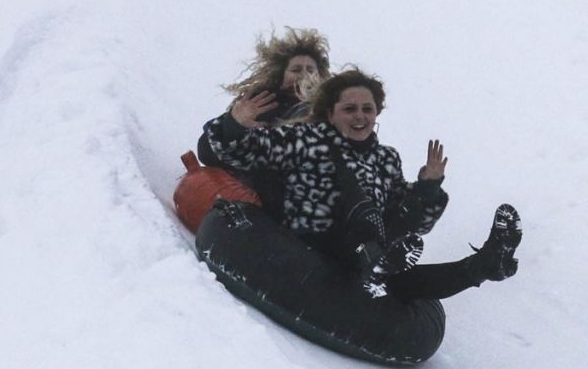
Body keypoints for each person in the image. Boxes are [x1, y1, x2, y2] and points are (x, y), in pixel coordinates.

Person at [202, 67, 522, 299]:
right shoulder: (302, 142)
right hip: (305, 240)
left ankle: (486, 264)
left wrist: (428, 186)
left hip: (365, 255)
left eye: (367, 109)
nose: (360, 116)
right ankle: (371, 258)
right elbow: (236, 153)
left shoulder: (384, 159)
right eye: (350, 108)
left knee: (402, 279)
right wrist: (235, 124)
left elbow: (415, 223)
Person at [196, 27, 332, 214]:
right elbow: (206, 150)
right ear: (281, 76)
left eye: (311, 70)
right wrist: (234, 125)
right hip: (268, 200)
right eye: (296, 69)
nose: (304, 75)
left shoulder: (333, 113)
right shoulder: (261, 105)